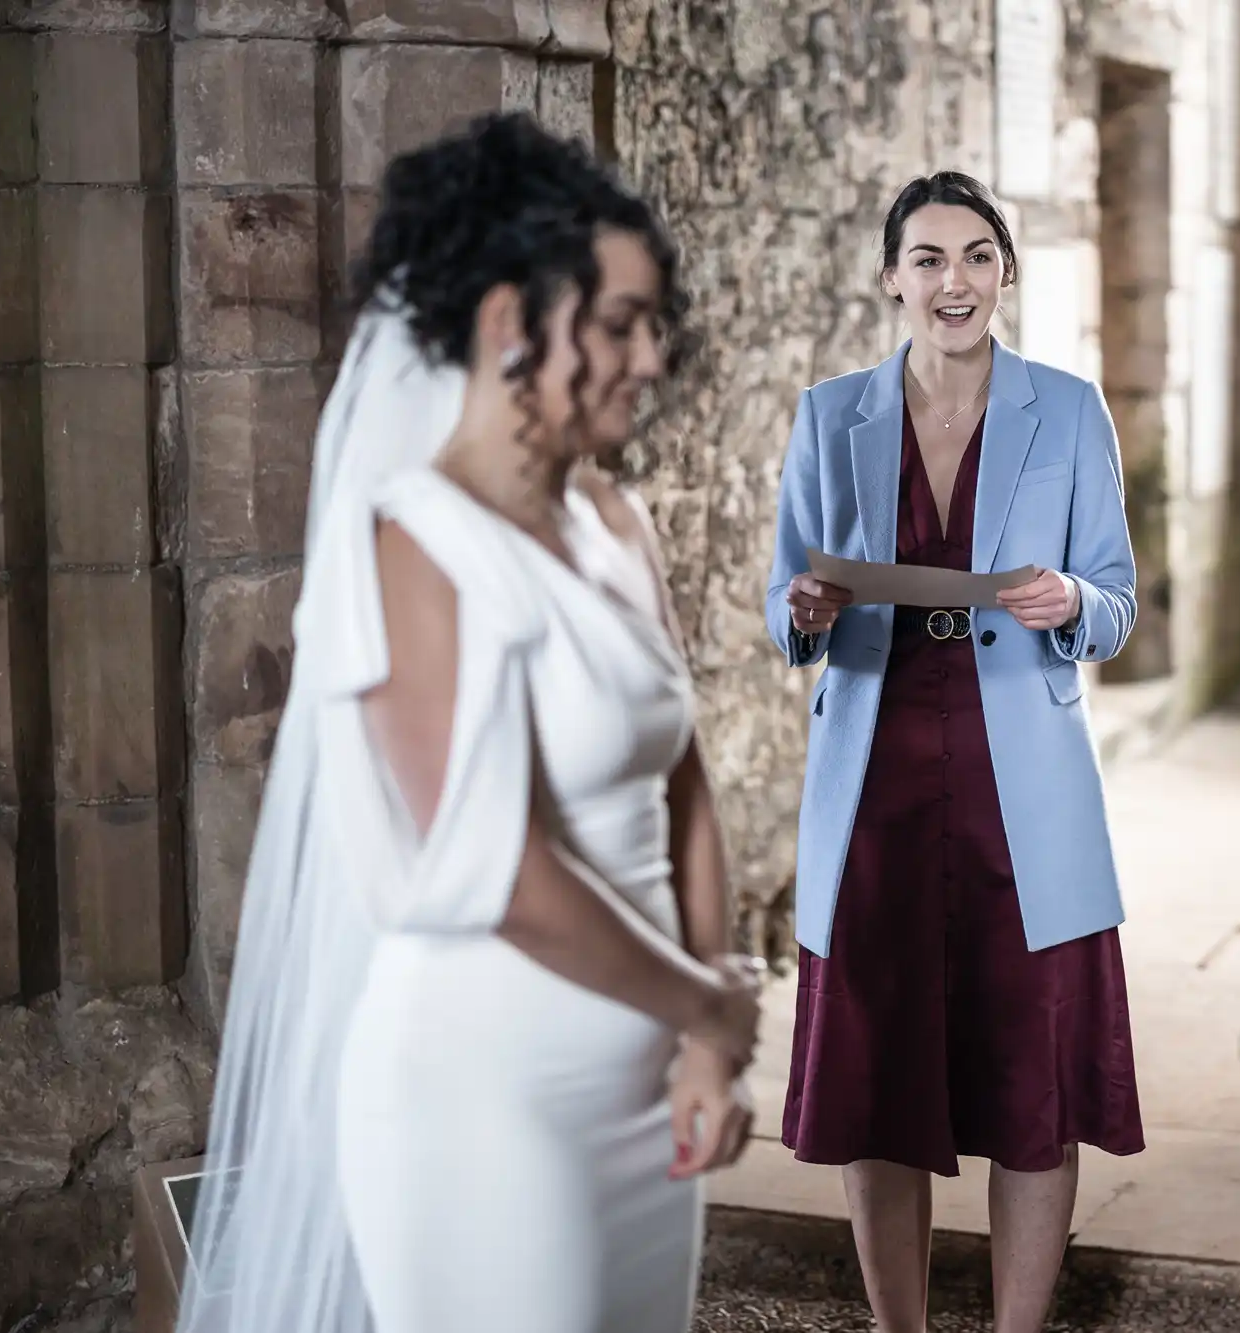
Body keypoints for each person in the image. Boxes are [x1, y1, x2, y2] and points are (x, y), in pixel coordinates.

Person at [176, 113, 765, 1333]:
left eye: (653, 324)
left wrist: (707, 1039)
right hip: (485, 1102)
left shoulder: (614, 520)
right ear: (509, 320)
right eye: (615, 324)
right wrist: (702, 1004)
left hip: (649, 1087)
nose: (649, 359)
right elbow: (498, 868)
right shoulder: (416, 543)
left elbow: (686, 783)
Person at [764, 171, 1146, 1333]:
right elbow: (780, 600)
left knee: (1033, 1082)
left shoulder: (1071, 410)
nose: (953, 281)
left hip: (1018, 789)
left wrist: (1069, 597)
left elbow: (1120, 604)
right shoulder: (831, 414)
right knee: (877, 1079)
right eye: (927, 258)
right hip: (874, 789)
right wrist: (805, 611)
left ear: (1005, 274)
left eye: (977, 256)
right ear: (890, 278)